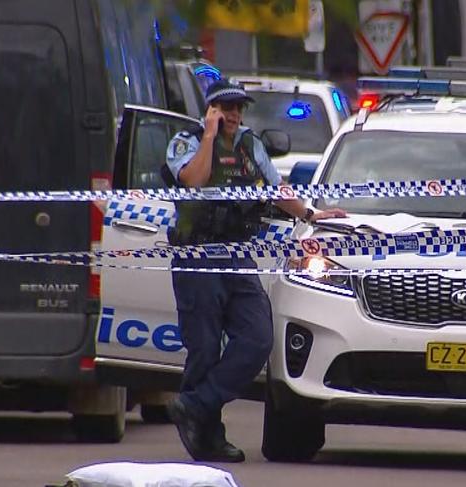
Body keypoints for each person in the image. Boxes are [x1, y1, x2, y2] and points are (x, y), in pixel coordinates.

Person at [164, 78, 346, 463]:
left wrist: (312, 213)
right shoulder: (187, 142)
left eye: (237, 108)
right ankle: (209, 436)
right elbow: (194, 180)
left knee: (258, 338)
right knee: (205, 348)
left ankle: (194, 405)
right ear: (210, 110)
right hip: (197, 257)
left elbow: (276, 188)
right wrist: (210, 137)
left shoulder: (250, 145)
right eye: (224, 108)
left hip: (237, 256)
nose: (233, 115)